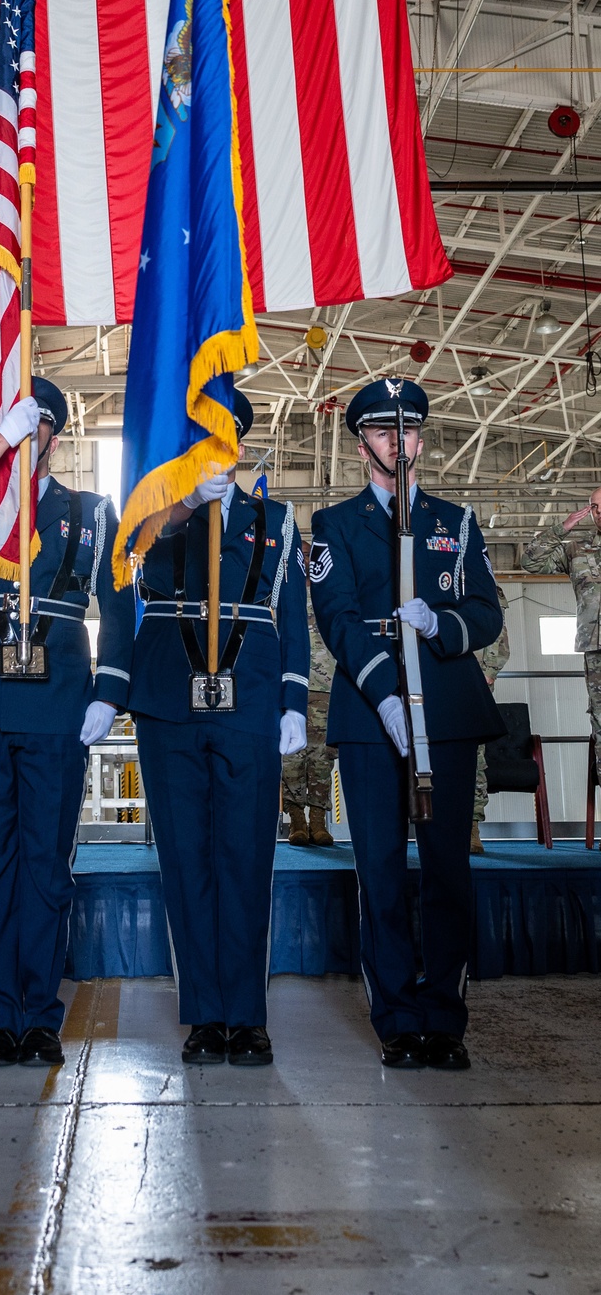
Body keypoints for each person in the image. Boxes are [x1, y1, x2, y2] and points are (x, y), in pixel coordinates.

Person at [0, 377, 134, 1069]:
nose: (27, 432)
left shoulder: (93, 510)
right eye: (18, 419)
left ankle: (39, 1016)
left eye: (37, 422)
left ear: (57, 436)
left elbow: (120, 603)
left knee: (46, 862)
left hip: (59, 700)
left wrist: (110, 689)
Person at [310, 377, 502, 1072]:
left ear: (421, 439)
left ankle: (444, 1017)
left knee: (448, 869)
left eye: (410, 430)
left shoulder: (457, 522)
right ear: (364, 444)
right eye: (387, 431)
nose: (401, 442)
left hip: (447, 714)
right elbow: (336, 618)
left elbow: (487, 612)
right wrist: (388, 694)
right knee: (381, 872)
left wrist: (441, 624)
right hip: (371, 717)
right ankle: (396, 1016)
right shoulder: (335, 524)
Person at [128, 390, 310, 1067]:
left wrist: (294, 700)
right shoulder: (153, 512)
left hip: (252, 699)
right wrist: (183, 503)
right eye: (200, 431)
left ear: (238, 443)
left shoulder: (278, 519)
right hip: (168, 699)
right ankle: (205, 1013)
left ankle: (247, 1014)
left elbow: (292, 614)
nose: (214, 442)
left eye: (224, 432)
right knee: (184, 860)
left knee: (245, 858)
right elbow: (132, 562)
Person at [521, 493, 601, 785]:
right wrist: (561, 528)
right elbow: (531, 562)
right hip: (596, 647)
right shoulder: (577, 550)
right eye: (594, 507)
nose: (599, 512)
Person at [282, 560, 337, 847]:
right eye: (299, 557)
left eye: (309, 556)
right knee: (291, 757)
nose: (304, 562)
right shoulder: (282, 595)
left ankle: (318, 821)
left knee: (321, 759)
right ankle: (297, 821)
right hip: (291, 688)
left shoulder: (330, 595)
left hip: (326, 689)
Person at [471, 584, 510, 854]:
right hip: (435, 679)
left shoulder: (483, 583)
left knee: (474, 757)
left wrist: (490, 670)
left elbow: (497, 631)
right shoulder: (430, 576)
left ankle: (472, 826)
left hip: (475, 682)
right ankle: (441, 827)